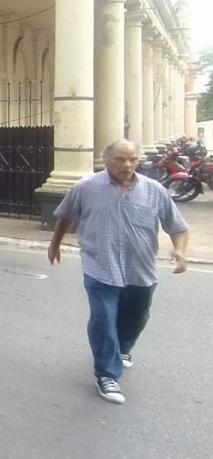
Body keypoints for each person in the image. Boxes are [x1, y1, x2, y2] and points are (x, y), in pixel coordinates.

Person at [48, 139, 189, 405]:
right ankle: (106, 373)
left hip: (141, 268)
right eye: (120, 159)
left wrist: (180, 250)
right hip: (99, 265)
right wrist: (55, 244)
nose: (127, 165)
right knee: (103, 318)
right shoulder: (85, 187)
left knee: (137, 315)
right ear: (106, 160)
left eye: (132, 159)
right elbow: (65, 215)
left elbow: (177, 226)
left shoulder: (154, 190)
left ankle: (123, 349)